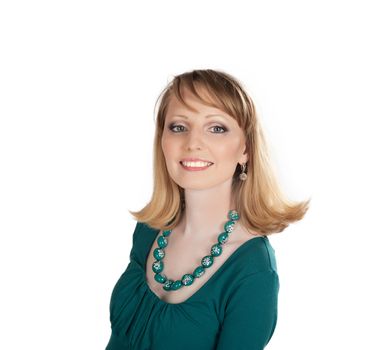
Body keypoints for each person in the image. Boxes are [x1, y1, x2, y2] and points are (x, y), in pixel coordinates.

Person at [105, 69, 310, 349]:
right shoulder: (149, 229)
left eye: (216, 128)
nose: (192, 143)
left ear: (245, 150)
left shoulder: (253, 272)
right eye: (178, 126)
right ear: (162, 140)